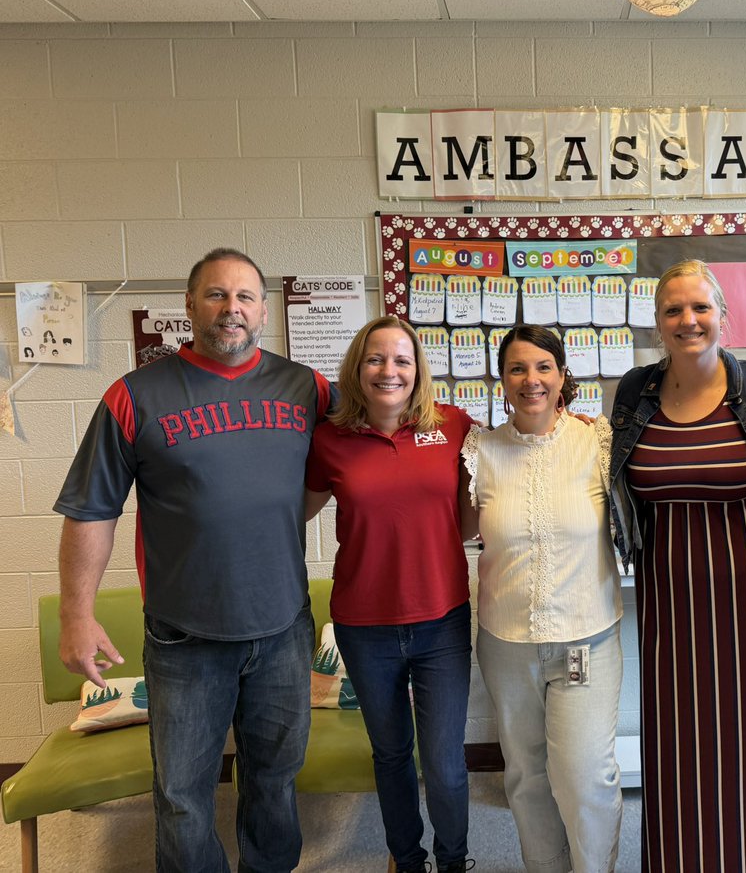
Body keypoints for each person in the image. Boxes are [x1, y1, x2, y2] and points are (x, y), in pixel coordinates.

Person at [54, 247, 334, 873]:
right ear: (189, 305)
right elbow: (91, 510)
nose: (231, 308)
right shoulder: (134, 395)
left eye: (245, 296)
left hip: (283, 627)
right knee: (182, 798)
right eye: (216, 294)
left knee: (275, 781)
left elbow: (378, 430)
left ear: (264, 311)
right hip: (185, 636)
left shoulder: (308, 387)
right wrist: (77, 614)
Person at [609, 260, 746, 872]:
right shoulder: (633, 391)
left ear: (723, 314)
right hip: (668, 605)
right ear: (657, 321)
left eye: (700, 307)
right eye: (673, 310)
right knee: (676, 749)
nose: (688, 320)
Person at [304, 316, 474, 873]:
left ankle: (453, 861)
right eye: (376, 359)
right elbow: (290, 511)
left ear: (418, 369)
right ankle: (407, 859)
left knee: (444, 762)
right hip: (364, 626)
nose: (389, 370)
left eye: (402, 359)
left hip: (441, 621)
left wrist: (569, 425)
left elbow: (508, 465)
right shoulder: (329, 439)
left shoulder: (452, 425)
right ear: (357, 368)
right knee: (392, 753)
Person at [460, 325, 624, 873]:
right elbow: (453, 530)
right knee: (526, 777)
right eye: (517, 368)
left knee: (584, 777)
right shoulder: (481, 451)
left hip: (586, 640)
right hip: (506, 644)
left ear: (562, 375)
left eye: (543, 367)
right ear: (502, 380)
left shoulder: (597, 441)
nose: (531, 379)